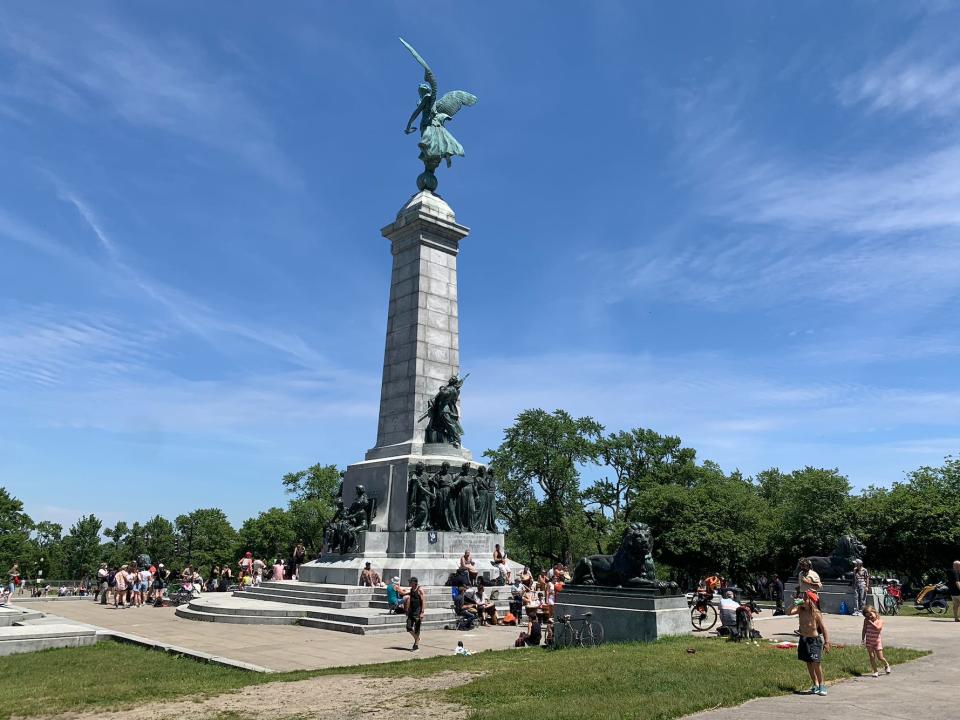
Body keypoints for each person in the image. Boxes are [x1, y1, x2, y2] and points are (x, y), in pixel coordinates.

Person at [787, 590, 830, 696]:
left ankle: (822, 684)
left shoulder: (816, 613)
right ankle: (814, 684)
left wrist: (827, 642)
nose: (802, 600)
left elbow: (823, 629)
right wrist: (793, 603)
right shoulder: (800, 610)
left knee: (816, 663)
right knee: (809, 662)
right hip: (804, 639)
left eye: (805, 598)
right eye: (802, 598)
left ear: (811, 601)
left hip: (814, 640)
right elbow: (788, 612)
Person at [861, 606, 891, 677]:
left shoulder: (880, 621)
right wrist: (863, 639)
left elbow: (878, 628)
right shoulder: (866, 620)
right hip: (869, 641)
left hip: (877, 642)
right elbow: (864, 629)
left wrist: (871, 622)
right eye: (867, 616)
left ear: (874, 612)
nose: (870, 617)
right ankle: (875, 671)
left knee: (880, 657)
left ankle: (886, 665)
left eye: (871, 615)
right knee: (872, 657)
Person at [406, 576, 426, 652]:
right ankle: (417, 638)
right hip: (411, 611)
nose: (409, 583)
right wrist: (408, 609)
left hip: (418, 611)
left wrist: (422, 612)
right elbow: (410, 599)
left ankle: (416, 646)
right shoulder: (411, 589)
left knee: (417, 629)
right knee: (408, 627)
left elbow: (423, 601)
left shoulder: (420, 590)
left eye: (410, 582)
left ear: (414, 582)